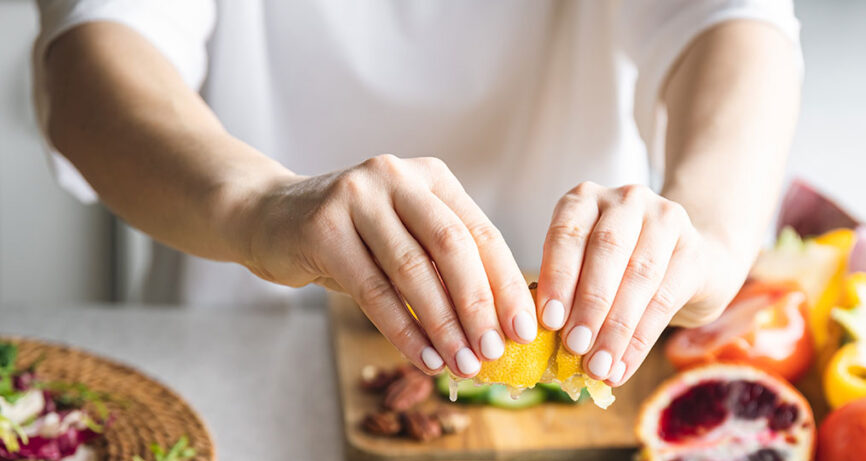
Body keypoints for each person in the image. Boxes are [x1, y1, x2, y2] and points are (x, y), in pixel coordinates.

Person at [32, 0, 801, 386]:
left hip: (568, 359)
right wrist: (260, 205)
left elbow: (732, 25)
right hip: (232, 349)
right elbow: (95, 55)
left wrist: (712, 234)